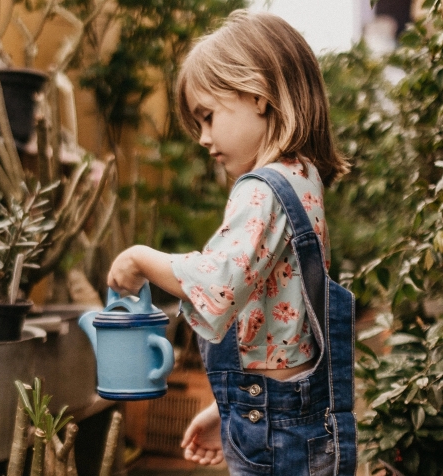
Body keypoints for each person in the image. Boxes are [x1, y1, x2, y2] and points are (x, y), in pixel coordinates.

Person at [107, 9, 357, 476]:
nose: (203, 138)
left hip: (276, 428)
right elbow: (283, 334)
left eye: (208, 116)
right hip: (293, 416)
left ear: (258, 95)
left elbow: (219, 285)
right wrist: (231, 411)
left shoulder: (262, 188)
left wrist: (140, 257)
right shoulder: (302, 178)